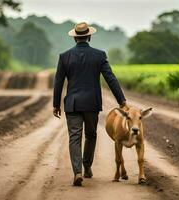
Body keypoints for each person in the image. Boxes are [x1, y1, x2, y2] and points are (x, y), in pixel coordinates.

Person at [53, 22, 126, 186]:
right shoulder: (99, 55)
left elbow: (58, 82)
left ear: (75, 38)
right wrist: (122, 101)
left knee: (74, 137)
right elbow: (110, 78)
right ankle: (87, 167)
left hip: (72, 103)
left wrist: (56, 104)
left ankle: (77, 172)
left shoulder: (65, 56)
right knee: (91, 135)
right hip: (91, 103)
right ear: (89, 36)